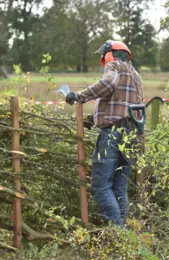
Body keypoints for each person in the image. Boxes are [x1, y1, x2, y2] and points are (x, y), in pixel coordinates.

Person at [65, 40, 144, 225]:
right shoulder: (135, 74)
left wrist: (79, 96)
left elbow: (108, 84)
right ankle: (124, 235)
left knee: (100, 186)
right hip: (131, 135)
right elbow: (121, 105)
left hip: (113, 135)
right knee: (119, 187)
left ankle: (117, 233)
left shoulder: (114, 65)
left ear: (110, 53)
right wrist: (94, 119)